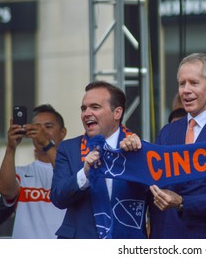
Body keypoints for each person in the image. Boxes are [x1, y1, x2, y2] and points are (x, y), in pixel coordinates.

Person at [124, 52, 206, 238]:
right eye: (182, 83)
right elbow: (150, 184)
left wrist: (183, 202)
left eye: (193, 83)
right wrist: (133, 154)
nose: (185, 90)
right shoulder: (168, 132)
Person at [50, 81, 148, 239]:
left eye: (95, 107)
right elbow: (58, 198)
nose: (86, 113)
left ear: (117, 113)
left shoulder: (137, 149)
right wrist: (85, 173)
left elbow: (155, 199)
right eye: (83, 108)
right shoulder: (68, 149)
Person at [0, 104, 67, 238]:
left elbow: (65, 176)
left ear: (63, 133)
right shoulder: (20, 172)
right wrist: (11, 147)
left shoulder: (75, 169)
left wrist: (47, 143)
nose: (42, 132)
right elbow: (6, 191)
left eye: (48, 127)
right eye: (37, 127)